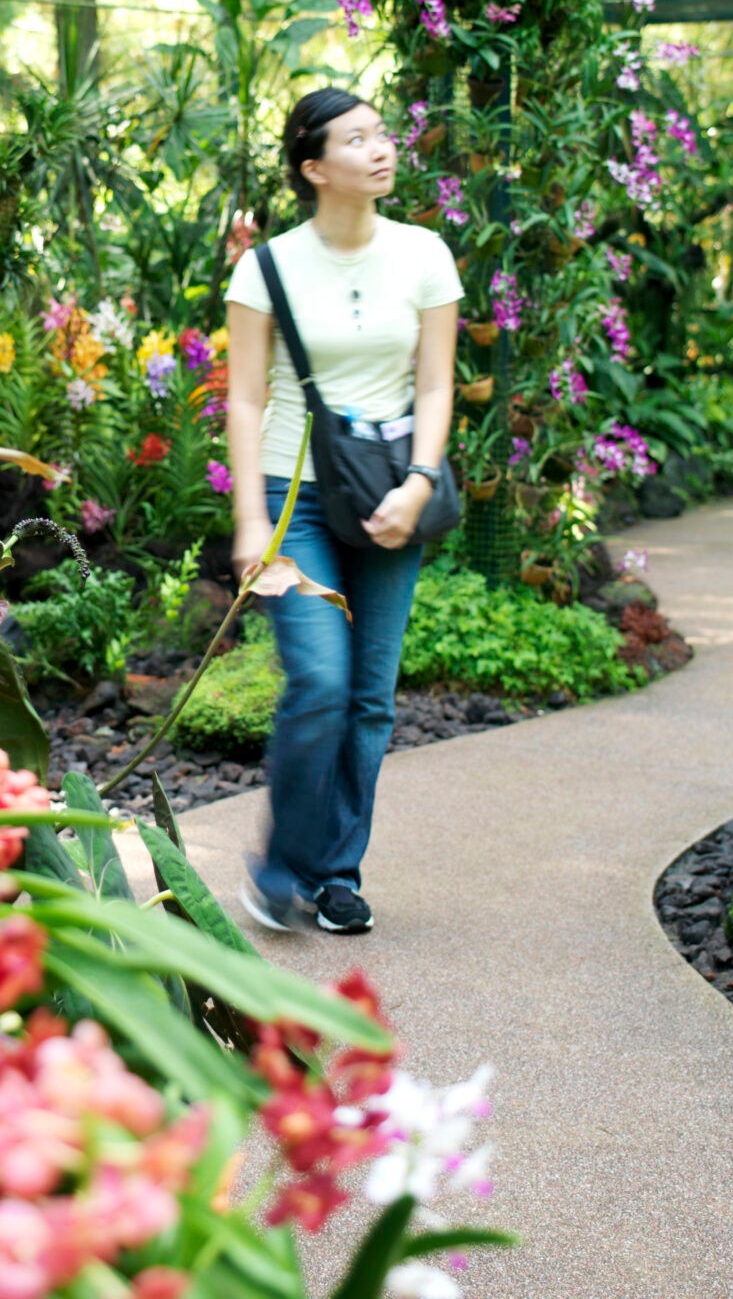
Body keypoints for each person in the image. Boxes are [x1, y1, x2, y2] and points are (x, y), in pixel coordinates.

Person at [223, 87, 458, 934]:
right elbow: (244, 400)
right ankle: (282, 864)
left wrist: (422, 483)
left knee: (368, 696)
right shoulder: (267, 268)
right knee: (319, 679)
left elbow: (436, 381)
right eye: (356, 140)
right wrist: (252, 520)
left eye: (381, 133)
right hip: (298, 500)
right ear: (315, 167)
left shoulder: (425, 255)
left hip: (394, 487)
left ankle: (335, 876)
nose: (380, 148)